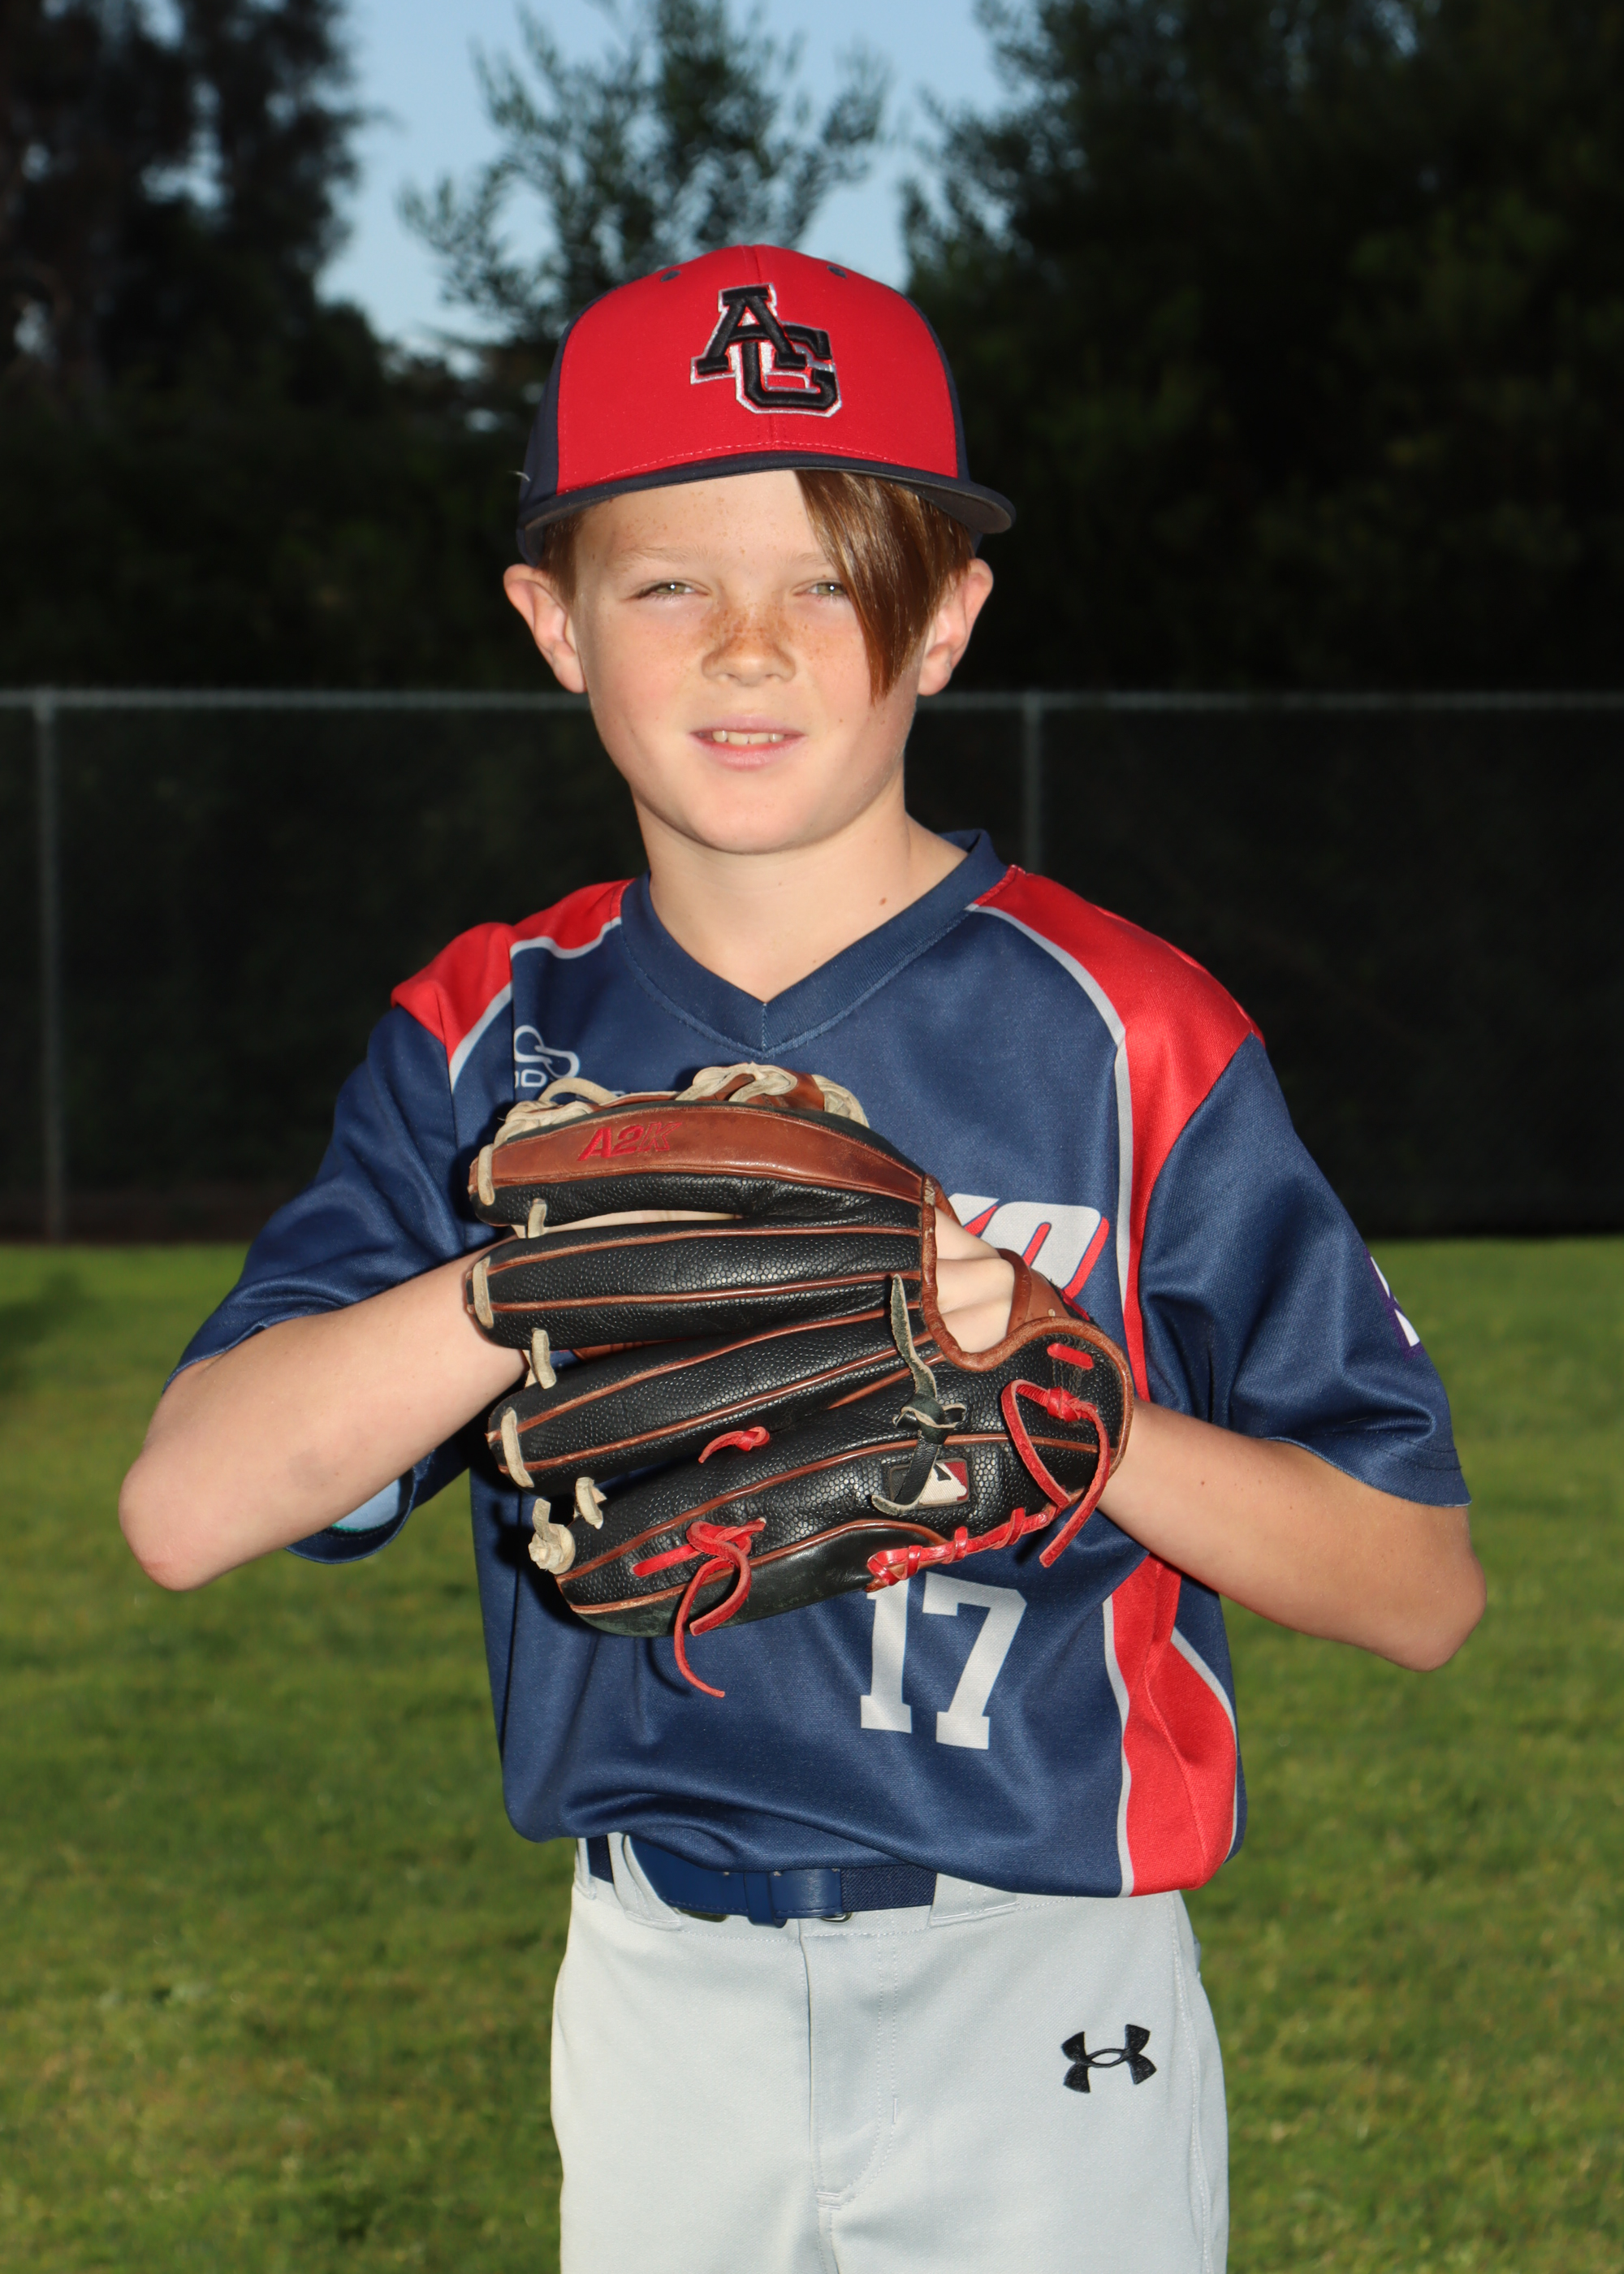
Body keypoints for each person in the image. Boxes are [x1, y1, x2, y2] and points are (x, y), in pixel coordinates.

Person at [119, 244, 1485, 2273]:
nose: (748, 647)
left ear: (944, 619)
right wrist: (530, 1277)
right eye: (669, 582)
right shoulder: (486, 1037)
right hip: (657, 1981)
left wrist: (1085, 1411)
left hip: (1042, 1971)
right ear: (552, 623)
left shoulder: (1131, 1032)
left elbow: (1420, 1586)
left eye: (829, 580)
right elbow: (183, 1508)